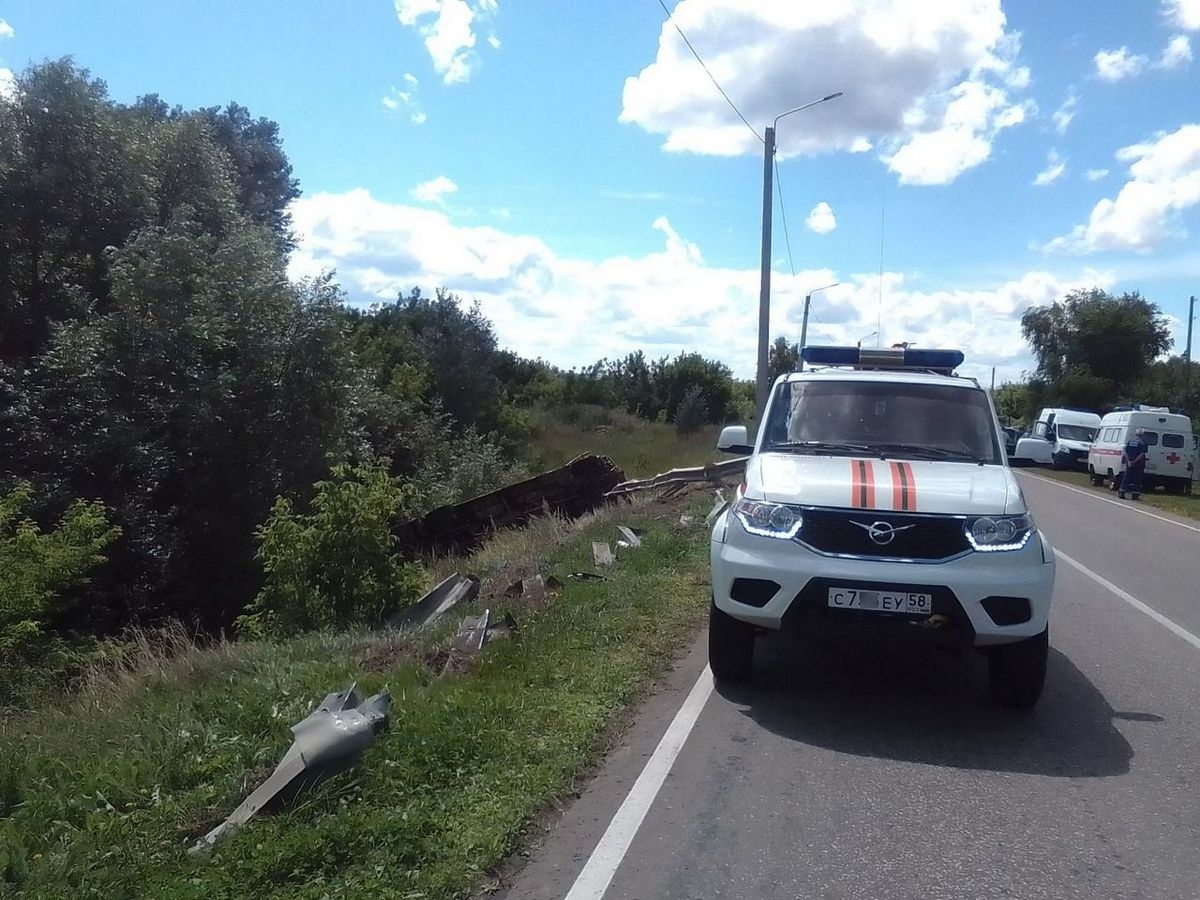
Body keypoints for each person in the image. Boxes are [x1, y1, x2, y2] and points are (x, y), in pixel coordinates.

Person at [1119, 427, 1148, 500]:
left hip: (1129, 463)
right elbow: (1142, 454)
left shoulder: (1130, 441)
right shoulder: (1143, 442)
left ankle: (1122, 492)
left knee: (1126, 478)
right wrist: (1135, 461)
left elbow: (1125, 451)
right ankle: (1135, 495)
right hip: (1138, 464)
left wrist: (1129, 461)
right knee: (1137, 479)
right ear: (1142, 435)